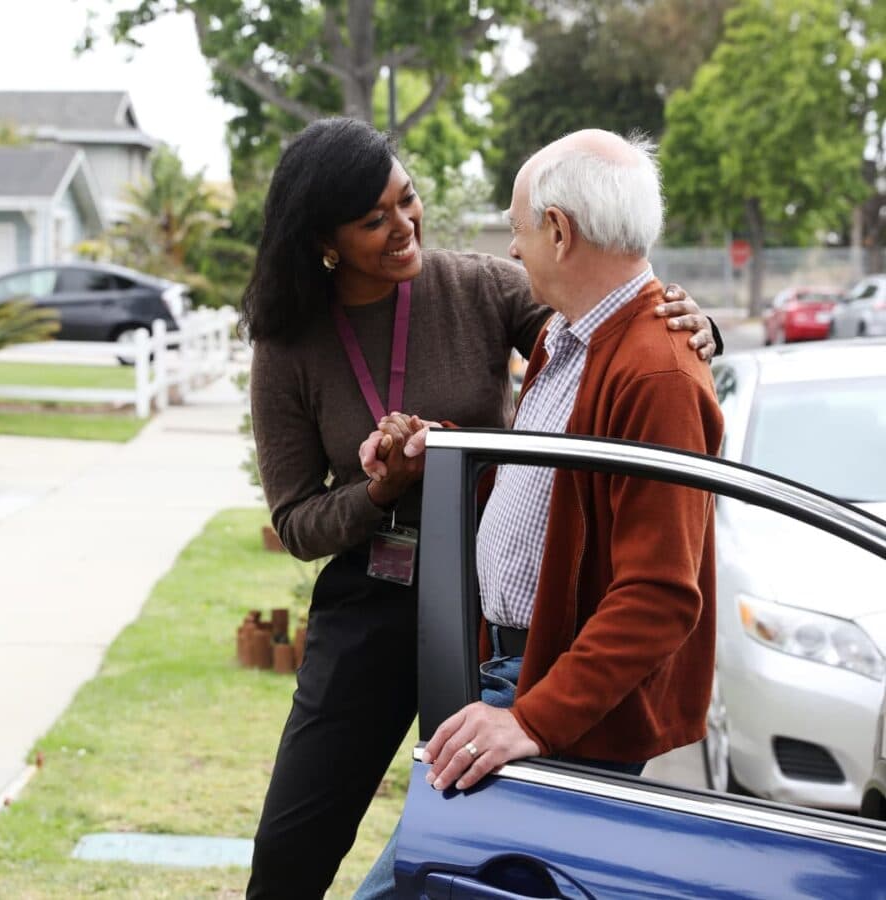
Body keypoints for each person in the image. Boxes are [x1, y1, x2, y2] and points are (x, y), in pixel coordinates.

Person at [243, 117, 718, 900]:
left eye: (408, 200)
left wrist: (696, 326)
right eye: (373, 220)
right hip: (377, 601)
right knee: (295, 846)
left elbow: (604, 338)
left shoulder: (480, 287)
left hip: (490, 618)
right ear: (324, 241)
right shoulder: (289, 343)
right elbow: (296, 521)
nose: (405, 226)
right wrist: (386, 488)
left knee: (455, 860)